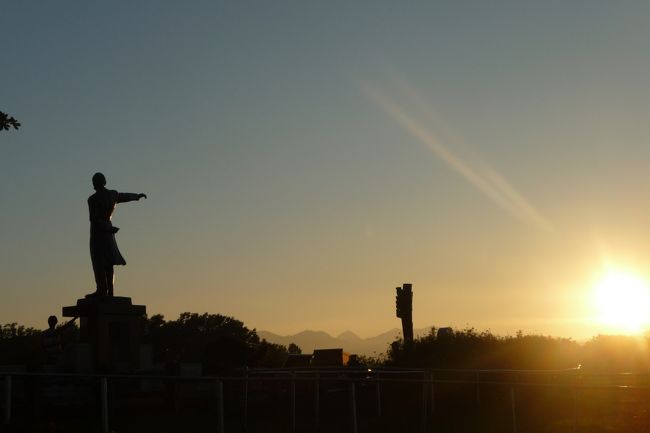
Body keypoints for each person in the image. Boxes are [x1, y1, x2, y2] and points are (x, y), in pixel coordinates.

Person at [88, 172, 147, 297]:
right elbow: (124, 196)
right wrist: (137, 196)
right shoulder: (112, 194)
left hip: (99, 232)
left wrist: (136, 196)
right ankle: (109, 291)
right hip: (108, 229)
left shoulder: (92, 199)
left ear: (94, 183)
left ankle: (102, 290)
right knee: (108, 262)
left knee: (99, 262)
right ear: (104, 182)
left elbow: (94, 219)